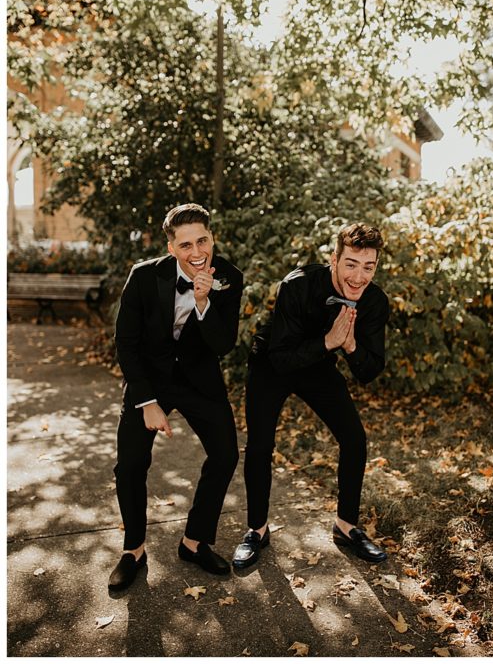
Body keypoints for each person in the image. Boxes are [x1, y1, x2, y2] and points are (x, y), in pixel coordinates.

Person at [233, 223, 389, 568]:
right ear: (334, 259)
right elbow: (282, 357)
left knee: (355, 439)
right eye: (351, 264)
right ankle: (256, 530)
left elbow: (369, 370)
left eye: (368, 266)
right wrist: (329, 342)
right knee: (260, 446)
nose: (359, 276)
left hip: (318, 365)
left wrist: (348, 345)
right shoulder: (297, 284)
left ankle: (346, 527)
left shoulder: (375, 302)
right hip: (272, 362)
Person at [108, 203, 244, 591]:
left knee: (225, 454)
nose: (197, 251)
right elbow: (126, 343)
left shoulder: (229, 277)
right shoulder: (144, 277)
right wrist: (147, 401)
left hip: (200, 378)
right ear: (171, 248)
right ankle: (133, 549)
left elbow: (224, 344)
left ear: (212, 238)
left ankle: (194, 541)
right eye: (185, 245)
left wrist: (204, 302)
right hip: (149, 379)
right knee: (131, 463)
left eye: (203, 240)